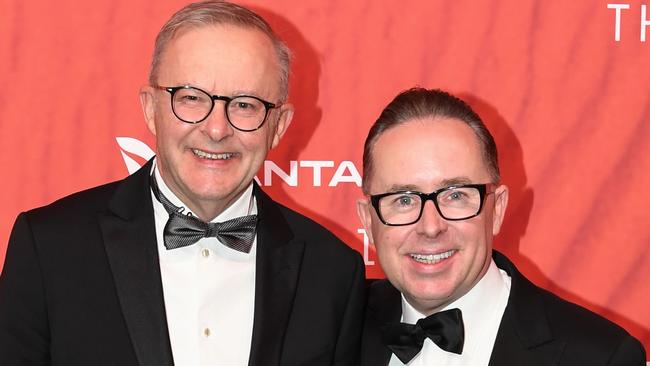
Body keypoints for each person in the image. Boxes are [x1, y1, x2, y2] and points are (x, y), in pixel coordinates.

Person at [0, 2, 365, 365]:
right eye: (191, 98)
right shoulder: (50, 247)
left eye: (245, 105)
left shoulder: (332, 272)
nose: (217, 129)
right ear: (150, 108)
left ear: (279, 125)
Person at [356, 87, 646, 365]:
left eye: (456, 195)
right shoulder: (337, 326)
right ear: (368, 221)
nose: (430, 227)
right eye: (403, 199)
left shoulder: (601, 357)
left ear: (497, 209)